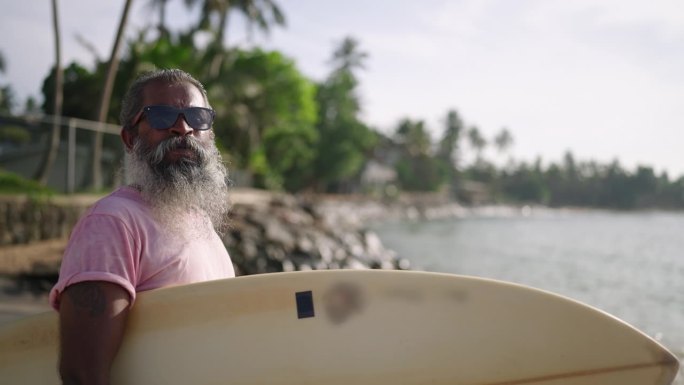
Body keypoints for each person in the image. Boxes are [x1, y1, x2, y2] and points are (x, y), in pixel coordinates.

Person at [49, 69, 235, 385]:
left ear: (210, 133)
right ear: (130, 138)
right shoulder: (112, 223)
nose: (183, 128)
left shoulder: (202, 223)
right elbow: (83, 374)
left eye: (197, 116)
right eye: (162, 116)